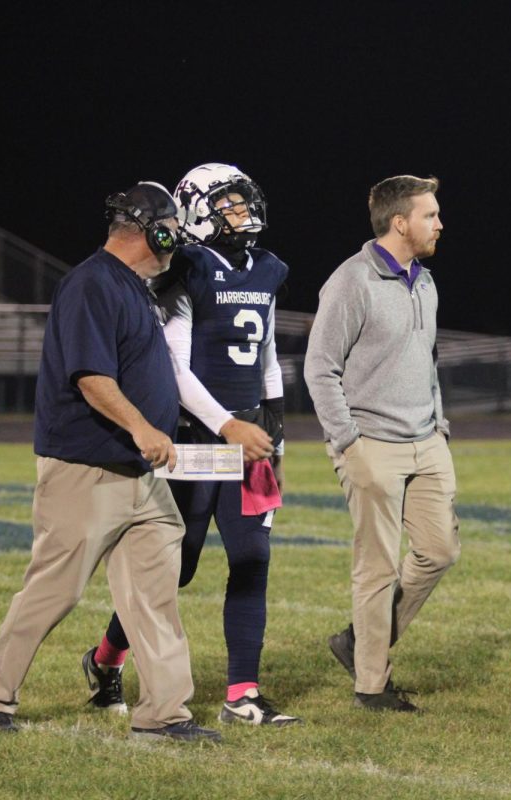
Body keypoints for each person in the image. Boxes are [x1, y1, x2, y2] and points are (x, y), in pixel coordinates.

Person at [0, 181, 221, 743]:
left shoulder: (133, 288)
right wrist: (142, 425)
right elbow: (90, 377)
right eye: (171, 226)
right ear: (151, 228)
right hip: (87, 467)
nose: (177, 237)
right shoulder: (91, 284)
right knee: (56, 589)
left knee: (155, 594)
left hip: (138, 474)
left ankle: (164, 715)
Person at [81, 163, 298, 727]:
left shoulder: (268, 268)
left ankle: (242, 694)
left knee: (253, 558)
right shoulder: (189, 267)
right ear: (199, 210)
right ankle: (106, 660)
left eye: (243, 201)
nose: (241, 212)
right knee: (176, 566)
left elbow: (266, 345)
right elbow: (174, 364)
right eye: (228, 203)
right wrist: (228, 423)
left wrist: (273, 415)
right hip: (198, 435)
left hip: (250, 438)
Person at [304, 175, 459, 713]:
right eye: (430, 215)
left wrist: (438, 425)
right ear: (401, 223)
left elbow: (429, 363)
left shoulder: (426, 281)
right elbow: (319, 369)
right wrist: (348, 444)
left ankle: (358, 641)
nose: (439, 223)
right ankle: (371, 685)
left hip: (427, 442)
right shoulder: (351, 281)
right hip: (371, 444)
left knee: (439, 552)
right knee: (378, 568)